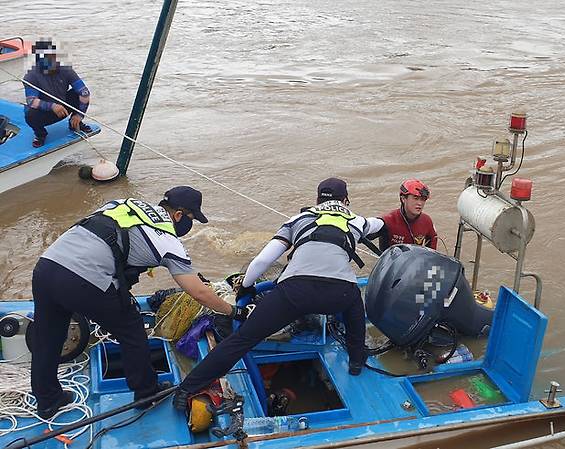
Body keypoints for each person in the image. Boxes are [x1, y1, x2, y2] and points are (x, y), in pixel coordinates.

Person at [30, 186, 245, 419]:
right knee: (131, 329)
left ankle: (48, 400)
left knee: (48, 337)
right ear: (179, 215)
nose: (189, 225)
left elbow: (105, 239)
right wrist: (232, 310)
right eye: (191, 218)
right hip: (83, 279)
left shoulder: (125, 205)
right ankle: (146, 393)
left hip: (47, 267)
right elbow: (199, 292)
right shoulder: (166, 239)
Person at [172, 178, 384, 410]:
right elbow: (381, 224)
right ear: (346, 201)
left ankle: (186, 389)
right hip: (338, 295)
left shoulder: (298, 219)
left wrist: (246, 287)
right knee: (354, 305)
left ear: (316, 200)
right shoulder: (358, 221)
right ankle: (355, 361)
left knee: (242, 339)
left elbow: (263, 260)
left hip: (294, 293)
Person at [23, 39, 93, 148]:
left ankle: (75, 123)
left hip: (64, 107)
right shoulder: (30, 77)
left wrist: (80, 114)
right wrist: (52, 106)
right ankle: (40, 134)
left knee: (77, 94)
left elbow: (84, 92)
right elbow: (31, 101)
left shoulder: (66, 70)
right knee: (29, 114)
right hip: (45, 112)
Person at [377, 179, 438, 251]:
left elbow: (432, 251)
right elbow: (370, 230)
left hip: (415, 260)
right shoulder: (388, 220)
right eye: (415, 198)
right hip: (392, 261)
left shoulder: (427, 221)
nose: (420, 203)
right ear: (403, 199)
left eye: (423, 199)